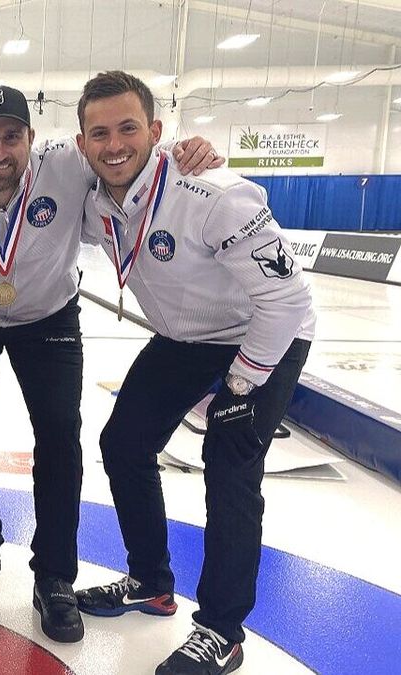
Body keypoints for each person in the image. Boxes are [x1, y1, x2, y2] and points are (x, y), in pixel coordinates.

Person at [0, 85, 219, 643]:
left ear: (32, 140)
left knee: (61, 436)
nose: (0, 153)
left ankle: (55, 575)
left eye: (12, 137)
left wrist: (190, 152)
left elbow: (129, 158)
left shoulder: (68, 165)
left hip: (50, 315)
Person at [74, 71, 315, 675]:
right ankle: (151, 582)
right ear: (82, 144)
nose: (114, 144)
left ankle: (222, 631)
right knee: (124, 444)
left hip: (264, 333)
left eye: (129, 128)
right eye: (99, 133)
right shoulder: (96, 197)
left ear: (156, 131)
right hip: (185, 337)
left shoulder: (214, 192)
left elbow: (285, 300)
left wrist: (240, 383)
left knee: (230, 465)